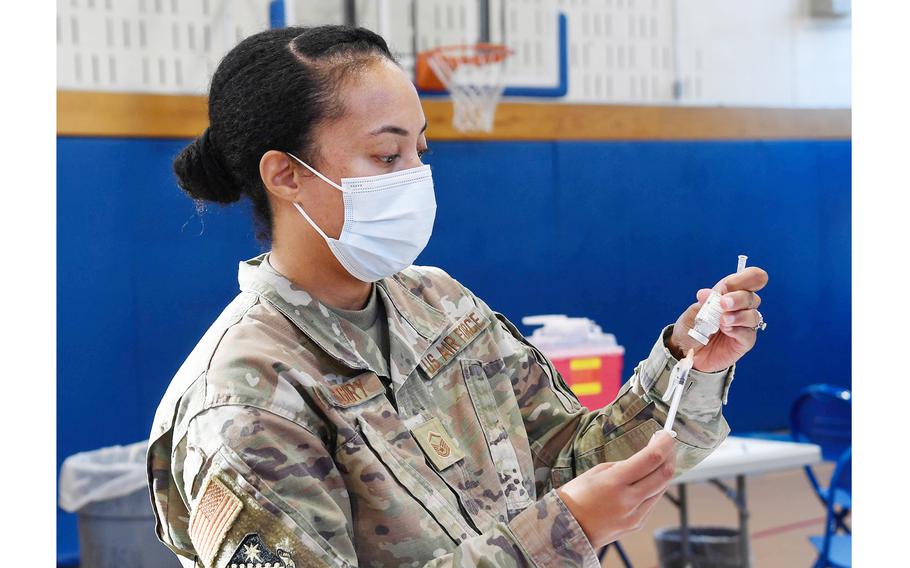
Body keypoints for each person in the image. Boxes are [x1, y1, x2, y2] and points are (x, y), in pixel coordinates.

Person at [147, 25, 768, 568]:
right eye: (387, 154)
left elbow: (574, 464)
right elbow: (567, 514)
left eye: (420, 151)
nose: (414, 177)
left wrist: (687, 369)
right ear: (285, 175)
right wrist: (561, 533)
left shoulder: (440, 306)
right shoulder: (243, 398)